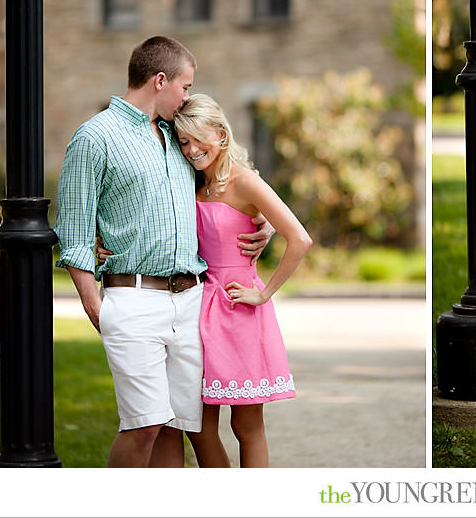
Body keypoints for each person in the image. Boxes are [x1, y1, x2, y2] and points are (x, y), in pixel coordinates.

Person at [55, 36, 273, 467]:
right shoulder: (94, 137)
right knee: (144, 425)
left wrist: (259, 221)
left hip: (192, 300)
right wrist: (95, 305)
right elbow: (75, 233)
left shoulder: (178, 138)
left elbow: (221, 187)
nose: (188, 95)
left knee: (180, 425)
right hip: (133, 298)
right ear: (161, 80)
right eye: (186, 86)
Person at [172, 94, 312, 467]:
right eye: (183, 141)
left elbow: (299, 239)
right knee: (198, 428)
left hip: (238, 309)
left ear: (220, 133)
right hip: (197, 304)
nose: (191, 149)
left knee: (246, 426)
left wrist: (264, 293)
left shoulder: (246, 181)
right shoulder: (189, 181)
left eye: (198, 138)